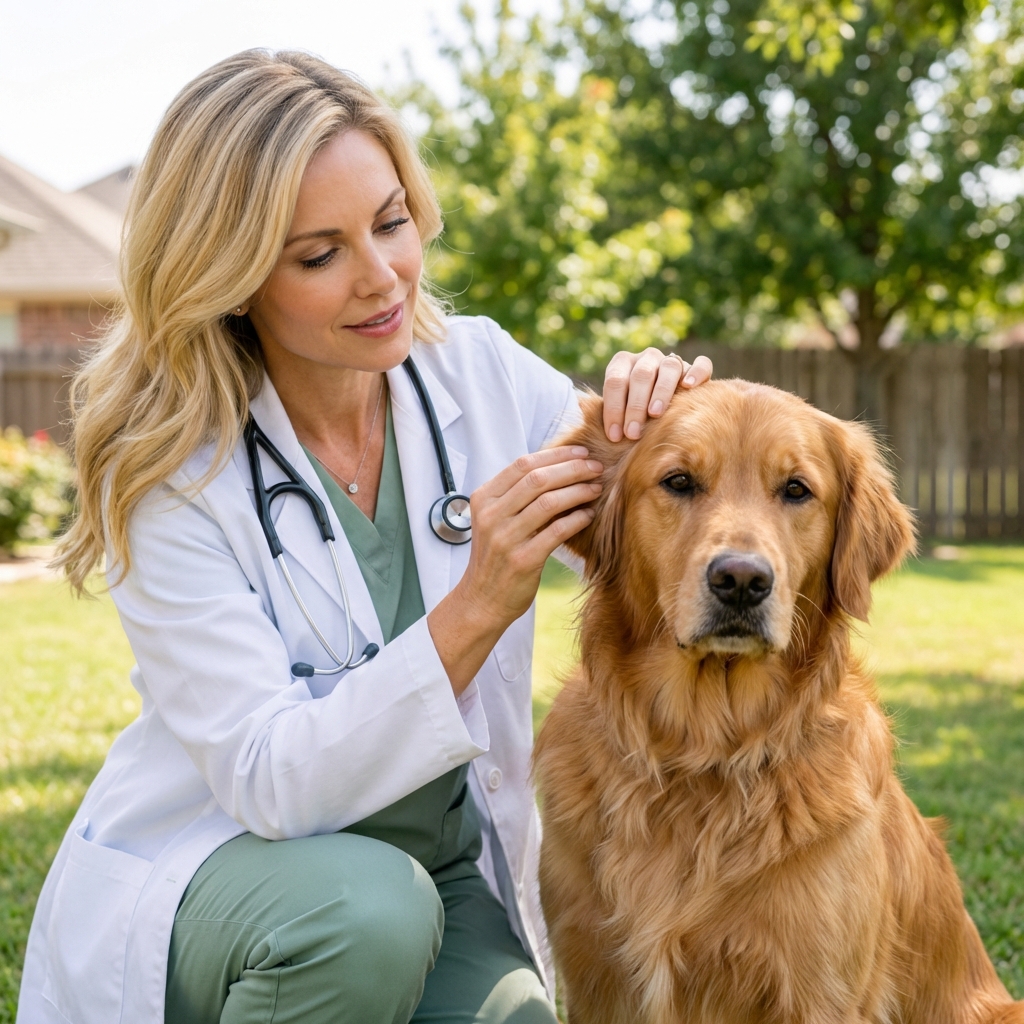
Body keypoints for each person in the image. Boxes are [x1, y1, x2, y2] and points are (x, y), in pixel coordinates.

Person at [17, 50, 712, 1024]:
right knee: (367, 917)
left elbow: (653, 527)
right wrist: (478, 602)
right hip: (235, 871)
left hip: (444, 868)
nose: (382, 275)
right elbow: (268, 777)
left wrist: (667, 425)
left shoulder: (479, 374)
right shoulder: (173, 475)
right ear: (231, 275)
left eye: (390, 221)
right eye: (319, 253)